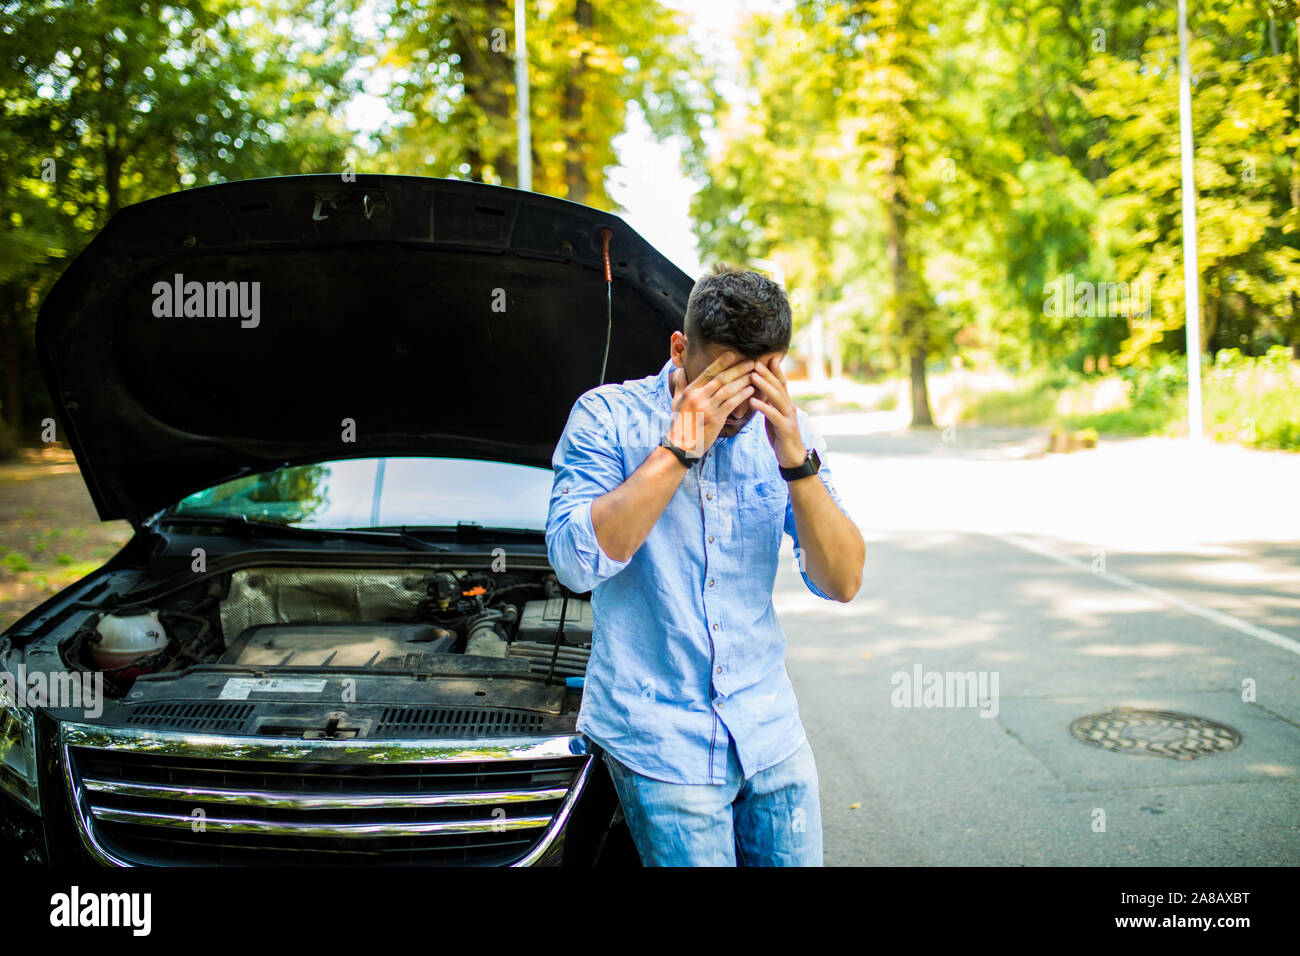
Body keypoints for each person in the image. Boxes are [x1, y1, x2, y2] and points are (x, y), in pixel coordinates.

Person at [545, 263, 865, 866]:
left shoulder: (787, 434)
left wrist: (796, 460)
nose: (739, 405)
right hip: (659, 740)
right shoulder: (606, 418)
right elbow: (575, 563)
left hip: (770, 731)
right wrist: (679, 449)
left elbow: (842, 580)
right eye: (721, 378)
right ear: (678, 350)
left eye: (758, 379)